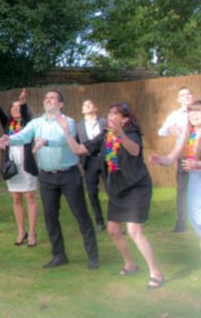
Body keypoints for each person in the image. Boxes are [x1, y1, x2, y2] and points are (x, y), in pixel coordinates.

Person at [57, 104, 165, 289]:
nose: (110, 116)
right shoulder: (104, 136)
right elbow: (78, 149)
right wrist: (67, 132)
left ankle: (156, 272)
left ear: (125, 119)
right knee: (113, 230)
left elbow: (135, 151)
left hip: (136, 188)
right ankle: (130, 264)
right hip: (117, 189)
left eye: (115, 113)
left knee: (134, 231)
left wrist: (120, 134)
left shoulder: (131, 134)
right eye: (109, 113)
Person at [0, 90, 99, 270]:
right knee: (50, 217)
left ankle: (93, 256)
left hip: (69, 175)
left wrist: (45, 142)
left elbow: (61, 140)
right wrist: (8, 139)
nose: (48, 100)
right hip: (46, 177)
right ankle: (59, 255)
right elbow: (23, 136)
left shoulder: (67, 122)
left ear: (61, 104)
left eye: (52, 98)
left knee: (81, 215)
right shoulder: (36, 123)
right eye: (46, 98)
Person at [0, 88, 38, 246]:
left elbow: (25, 113)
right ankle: (21, 232)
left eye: (18, 107)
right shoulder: (7, 124)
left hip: (27, 164)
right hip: (12, 166)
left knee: (30, 198)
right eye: (13, 107)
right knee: (16, 198)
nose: (15, 109)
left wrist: (22, 101)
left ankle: (32, 233)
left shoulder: (28, 123)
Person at [151, 99, 201, 252]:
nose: (194, 115)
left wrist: (198, 165)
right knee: (197, 219)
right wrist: (161, 160)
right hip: (194, 181)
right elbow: (171, 157)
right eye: (191, 112)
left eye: (197, 111)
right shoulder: (187, 135)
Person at [158, 87, 195, 232]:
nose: (186, 97)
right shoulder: (175, 115)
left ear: (192, 97)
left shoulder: (198, 110)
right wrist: (170, 129)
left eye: (188, 94)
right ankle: (181, 222)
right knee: (182, 190)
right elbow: (161, 131)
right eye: (182, 95)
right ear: (178, 99)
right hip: (183, 155)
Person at [76, 99, 108, 232]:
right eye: (84, 105)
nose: (87, 106)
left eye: (90, 104)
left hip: (105, 160)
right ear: (82, 110)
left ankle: (116, 221)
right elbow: (76, 145)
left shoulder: (105, 122)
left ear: (96, 108)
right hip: (89, 162)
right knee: (92, 193)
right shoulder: (78, 126)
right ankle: (99, 221)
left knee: (112, 190)